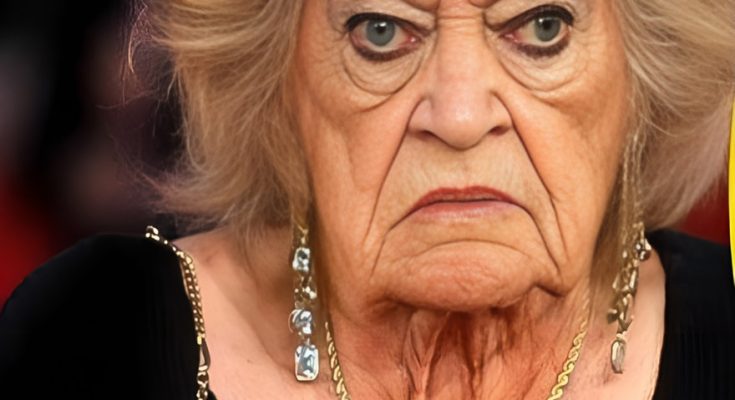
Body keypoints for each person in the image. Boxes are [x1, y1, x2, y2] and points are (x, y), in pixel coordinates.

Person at [2, 0, 734, 399]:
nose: (458, 115)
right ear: (277, 86)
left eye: (542, 28)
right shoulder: (91, 337)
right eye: (379, 32)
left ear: (641, 78)